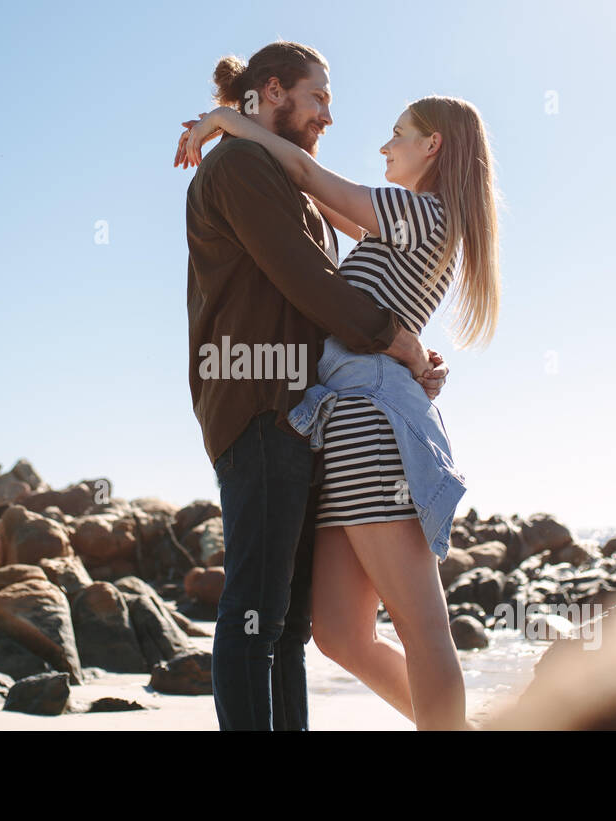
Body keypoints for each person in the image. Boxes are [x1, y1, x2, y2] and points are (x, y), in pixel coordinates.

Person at [179, 73, 502, 730]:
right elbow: (302, 189)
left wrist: (226, 118)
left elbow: (306, 174)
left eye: (398, 135)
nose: (385, 147)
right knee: (339, 634)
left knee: (422, 625)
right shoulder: (412, 223)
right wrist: (255, 125)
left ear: (432, 145)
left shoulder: (422, 212)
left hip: (368, 425)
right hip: (344, 426)